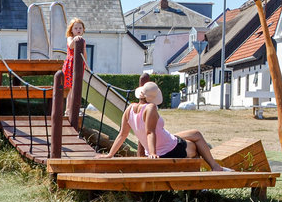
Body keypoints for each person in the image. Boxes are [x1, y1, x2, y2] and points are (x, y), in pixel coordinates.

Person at [100, 81, 231, 170]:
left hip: (165, 141)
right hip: (166, 149)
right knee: (195, 147)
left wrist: (110, 154)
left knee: (195, 133)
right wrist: (152, 153)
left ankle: (213, 169)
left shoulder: (129, 109)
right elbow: (150, 132)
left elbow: (122, 134)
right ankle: (214, 169)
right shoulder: (150, 108)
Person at [63, 18, 88, 115]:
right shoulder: (70, 38)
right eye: (76, 28)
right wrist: (75, 39)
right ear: (71, 30)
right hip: (71, 65)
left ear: (83, 30)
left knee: (77, 88)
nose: (78, 30)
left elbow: (84, 53)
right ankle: (68, 110)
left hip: (79, 65)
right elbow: (71, 46)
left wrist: (85, 63)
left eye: (80, 28)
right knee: (72, 88)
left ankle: (76, 108)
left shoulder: (83, 40)